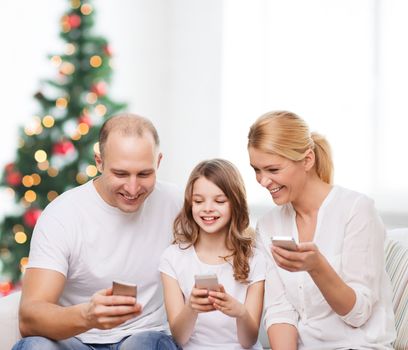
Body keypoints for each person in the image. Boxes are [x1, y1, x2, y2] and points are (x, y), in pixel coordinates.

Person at [13, 114, 182, 350]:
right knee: (34, 346)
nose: (133, 189)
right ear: (99, 162)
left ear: (158, 162)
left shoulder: (176, 203)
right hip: (76, 341)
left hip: (144, 337)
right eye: (121, 174)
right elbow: (30, 317)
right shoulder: (63, 215)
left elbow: (230, 238)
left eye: (144, 174)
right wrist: (88, 316)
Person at [247, 110, 396, 349]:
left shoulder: (357, 210)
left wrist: (317, 267)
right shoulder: (268, 225)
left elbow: (358, 314)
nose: (263, 181)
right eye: (256, 170)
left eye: (273, 170)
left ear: (307, 160)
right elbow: (280, 312)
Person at [159, 159, 267, 349]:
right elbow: (180, 338)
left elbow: (248, 341)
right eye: (198, 201)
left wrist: (240, 312)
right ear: (190, 204)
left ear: (235, 203)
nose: (207, 208)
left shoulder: (255, 259)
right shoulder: (173, 257)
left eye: (219, 201)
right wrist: (191, 307)